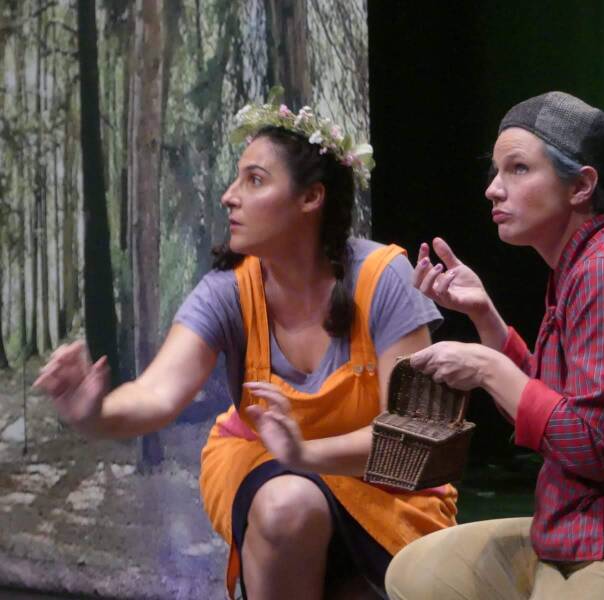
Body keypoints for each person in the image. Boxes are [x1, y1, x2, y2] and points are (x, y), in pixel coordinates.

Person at [33, 93, 458, 600]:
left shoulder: (384, 279)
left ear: (311, 198)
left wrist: (306, 453)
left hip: (384, 486)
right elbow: (157, 394)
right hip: (265, 467)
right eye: (237, 179)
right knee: (288, 506)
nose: (229, 196)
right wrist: (94, 413)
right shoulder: (228, 291)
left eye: (254, 180)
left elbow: (412, 442)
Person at [385, 91, 604, 599]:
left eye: (518, 169)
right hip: (583, 531)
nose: (492, 189)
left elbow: (590, 446)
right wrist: (485, 317)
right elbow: (555, 408)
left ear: (581, 185)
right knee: (418, 572)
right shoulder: (578, 269)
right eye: (496, 171)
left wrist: (486, 368)